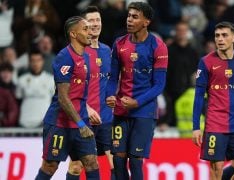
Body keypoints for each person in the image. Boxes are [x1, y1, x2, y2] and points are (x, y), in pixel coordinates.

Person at [106, 2, 168, 179]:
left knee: (134, 160)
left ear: (146, 21)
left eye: (135, 17)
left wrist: (137, 102)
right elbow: (112, 78)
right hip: (120, 110)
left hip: (144, 112)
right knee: (118, 160)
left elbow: (159, 85)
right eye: (129, 16)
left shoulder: (158, 46)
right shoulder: (119, 44)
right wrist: (110, 95)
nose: (129, 20)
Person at [192, 21, 234, 180]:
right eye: (217, 36)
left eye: (224, 35)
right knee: (216, 170)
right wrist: (196, 127)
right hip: (215, 124)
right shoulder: (206, 62)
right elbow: (198, 96)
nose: (220, 39)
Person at [35, 16, 100, 180]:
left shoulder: (86, 56)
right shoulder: (64, 57)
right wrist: (81, 125)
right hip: (60, 123)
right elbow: (63, 98)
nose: (90, 32)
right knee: (50, 166)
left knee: (91, 163)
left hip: (81, 120)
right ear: (73, 34)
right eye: (85, 29)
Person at [66, 6, 115, 180]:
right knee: (78, 165)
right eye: (91, 21)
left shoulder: (108, 51)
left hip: (107, 118)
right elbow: (67, 90)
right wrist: (86, 108)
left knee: (115, 163)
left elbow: (113, 80)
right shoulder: (76, 52)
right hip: (83, 118)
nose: (95, 24)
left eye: (98, 20)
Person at [15, 49, 54, 128]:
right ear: (29, 62)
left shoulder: (51, 79)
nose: (35, 63)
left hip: (43, 124)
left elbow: (55, 101)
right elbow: (18, 99)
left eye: (38, 60)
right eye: (33, 60)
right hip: (24, 123)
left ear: (42, 61)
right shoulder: (21, 79)